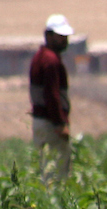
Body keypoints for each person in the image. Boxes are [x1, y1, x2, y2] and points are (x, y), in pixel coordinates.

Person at [29, 14, 74, 182]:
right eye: (60, 36)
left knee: (46, 168)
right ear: (48, 35)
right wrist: (59, 124)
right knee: (57, 172)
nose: (64, 40)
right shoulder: (51, 61)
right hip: (50, 124)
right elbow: (52, 95)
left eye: (65, 37)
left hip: (41, 121)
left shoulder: (40, 57)